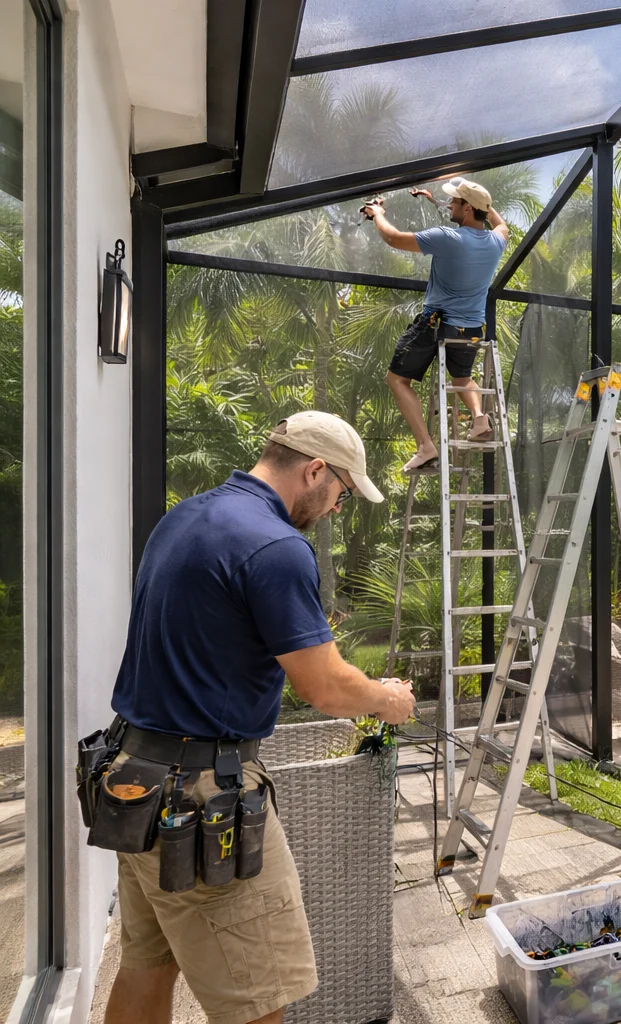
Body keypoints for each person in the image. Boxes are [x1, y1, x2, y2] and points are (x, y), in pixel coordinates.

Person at [102, 412, 416, 1024]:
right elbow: (324, 687)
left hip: (133, 778)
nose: (336, 508)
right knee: (257, 999)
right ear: (315, 469)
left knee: (147, 967)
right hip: (198, 800)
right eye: (342, 493)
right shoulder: (274, 546)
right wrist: (386, 697)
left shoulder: (184, 517)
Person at [364, 177, 509, 474]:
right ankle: (480, 418)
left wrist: (377, 213)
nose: (450, 205)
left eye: (455, 202)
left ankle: (426, 447)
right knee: (461, 377)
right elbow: (499, 221)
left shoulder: (448, 238)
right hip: (470, 330)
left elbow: (393, 238)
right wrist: (470, 191)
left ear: (468, 209)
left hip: (436, 324)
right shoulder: (497, 241)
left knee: (396, 380)